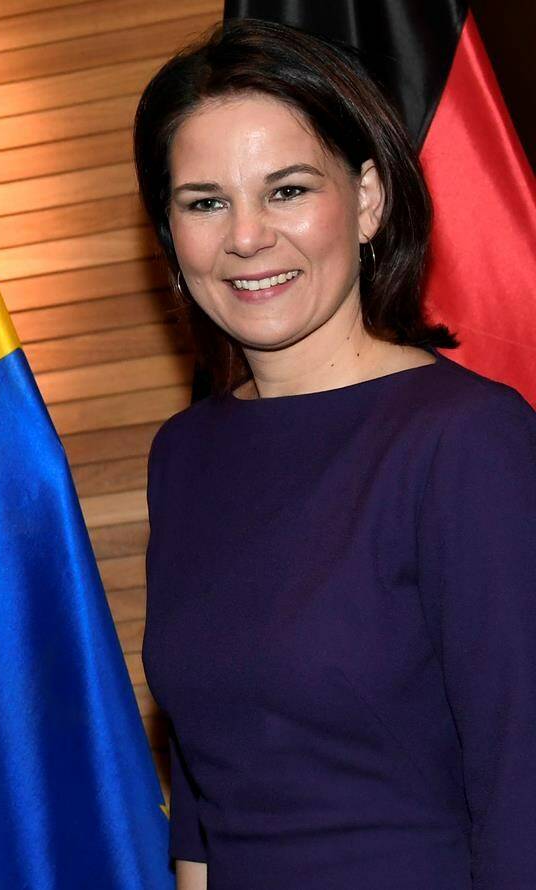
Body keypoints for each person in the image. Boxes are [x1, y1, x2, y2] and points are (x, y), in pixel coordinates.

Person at [134, 19, 536, 890]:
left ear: (367, 201)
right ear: (170, 232)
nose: (245, 237)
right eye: (205, 201)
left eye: (286, 191)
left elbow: (523, 782)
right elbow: (207, 784)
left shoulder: (467, 439)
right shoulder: (186, 452)